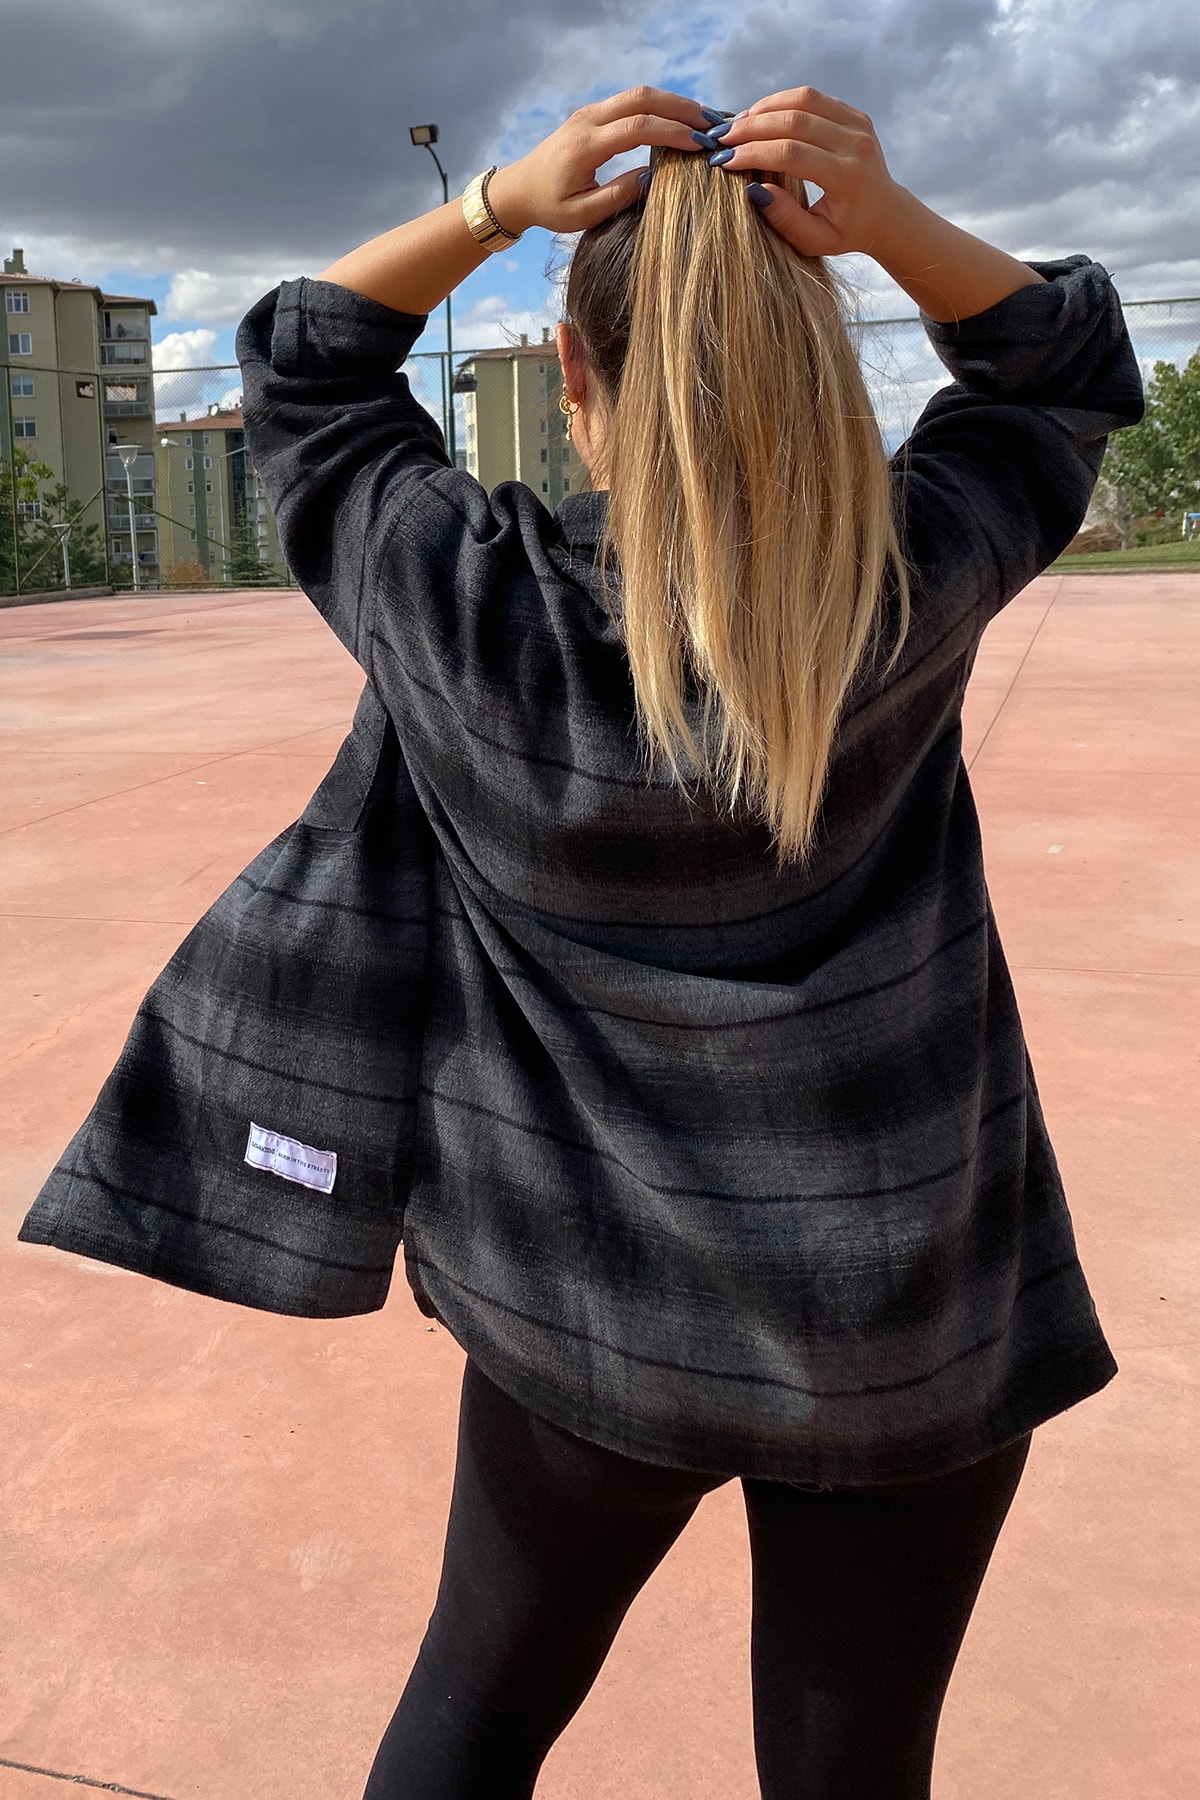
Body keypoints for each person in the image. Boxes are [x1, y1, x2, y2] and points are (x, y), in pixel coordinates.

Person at [19, 84, 1143, 1800]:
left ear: (570, 377)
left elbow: (307, 369)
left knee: (469, 1727)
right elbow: (1058, 369)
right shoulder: (907, 586)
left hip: (582, 1316)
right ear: (819, 377)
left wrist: (492, 204)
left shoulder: (471, 604)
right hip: (909, 1317)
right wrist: (893, 223)